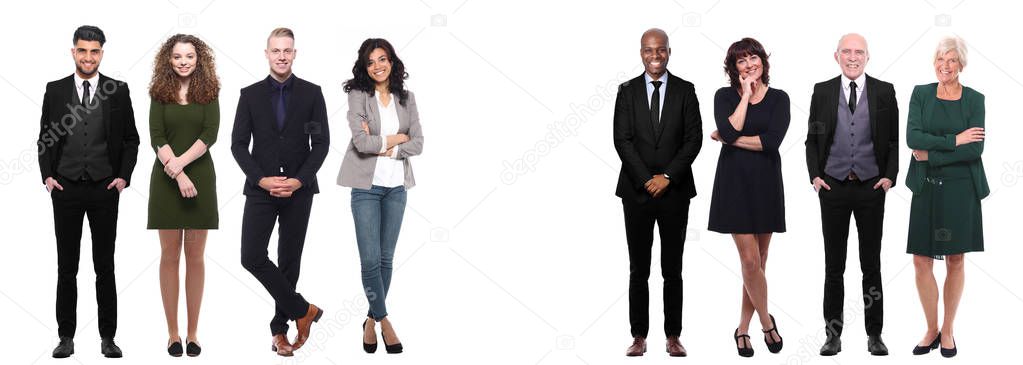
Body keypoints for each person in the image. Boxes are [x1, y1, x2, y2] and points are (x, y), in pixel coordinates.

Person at [37, 25, 139, 359]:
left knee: (104, 266)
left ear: (101, 54)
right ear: (73, 52)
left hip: (103, 189)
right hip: (64, 188)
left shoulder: (117, 90)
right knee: (66, 267)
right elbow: (45, 137)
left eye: (94, 51)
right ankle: (65, 336)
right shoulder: (55, 90)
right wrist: (48, 176)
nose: (88, 57)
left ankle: (107, 337)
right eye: (82, 50)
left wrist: (122, 177)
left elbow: (130, 140)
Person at [231, 27, 329, 357]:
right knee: (251, 256)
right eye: (276, 51)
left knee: (289, 261)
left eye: (287, 50)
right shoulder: (250, 94)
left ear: (295, 54)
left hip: (299, 190)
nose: (282, 56)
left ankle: (279, 331)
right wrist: (261, 180)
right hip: (261, 188)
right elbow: (238, 145)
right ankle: (304, 310)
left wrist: (300, 180)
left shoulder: (312, 94)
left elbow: (321, 144)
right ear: (267, 54)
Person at [805, 33, 897, 356]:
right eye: (847, 51)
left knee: (871, 264)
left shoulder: (885, 92)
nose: (853, 57)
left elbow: (892, 142)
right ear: (837, 56)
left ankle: (875, 334)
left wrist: (889, 177)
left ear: (867, 57)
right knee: (834, 265)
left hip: (872, 187)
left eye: (859, 52)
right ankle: (833, 335)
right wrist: (815, 176)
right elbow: (812, 140)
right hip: (833, 188)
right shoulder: (822, 91)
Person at [613, 28, 702, 358]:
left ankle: (673, 336)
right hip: (636, 193)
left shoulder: (685, 90)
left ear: (668, 52)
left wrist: (666, 176)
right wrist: (646, 179)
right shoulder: (626, 91)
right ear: (641, 53)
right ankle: (639, 336)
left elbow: (694, 139)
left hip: (675, 192)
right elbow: (622, 139)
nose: (655, 56)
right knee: (639, 268)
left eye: (660, 50)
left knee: (672, 268)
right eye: (649, 50)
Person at [338, 37, 424, 355]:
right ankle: (384, 320)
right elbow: (361, 143)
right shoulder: (359, 96)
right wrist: (398, 137)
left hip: (397, 187)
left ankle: (369, 320)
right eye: (371, 61)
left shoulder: (407, 98)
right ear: (365, 65)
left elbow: (419, 142)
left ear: (392, 61)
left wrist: (391, 143)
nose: (377, 66)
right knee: (370, 259)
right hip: (365, 187)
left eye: (382, 59)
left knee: (386, 258)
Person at [905, 36, 986, 358]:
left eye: (952, 60)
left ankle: (948, 330)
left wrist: (933, 152)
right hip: (925, 186)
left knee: (955, 259)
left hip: (960, 188)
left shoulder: (975, 99)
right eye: (940, 59)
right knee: (921, 259)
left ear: (961, 64)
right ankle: (931, 328)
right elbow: (912, 137)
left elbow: (976, 148)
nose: (945, 65)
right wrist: (956, 139)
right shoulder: (921, 94)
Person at [708, 37, 789, 357]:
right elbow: (730, 131)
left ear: (763, 62)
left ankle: (742, 329)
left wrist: (728, 137)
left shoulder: (780, 98)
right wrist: (743, 98)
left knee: (759, 263)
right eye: (741, 61)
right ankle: (767, 323)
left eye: (753, 58)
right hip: (734, 184)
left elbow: (772, 142)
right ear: (734, 68)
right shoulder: (724, 96)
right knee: (750, 260)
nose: (749, 64)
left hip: (766, 183)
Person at [147, 34, 220, 357]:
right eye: (177, 57)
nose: (183, 62)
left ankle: (193, 334)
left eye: (189, 56)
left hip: (199, 179)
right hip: (166, 181)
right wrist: (176, 173)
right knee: (169, 256)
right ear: (168, 60)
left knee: (195, 257)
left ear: (198, 58)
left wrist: (180, 166)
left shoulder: (209, 93)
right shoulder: (159, 93)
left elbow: (210, 134)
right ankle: (172, 334)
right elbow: (156, 136)